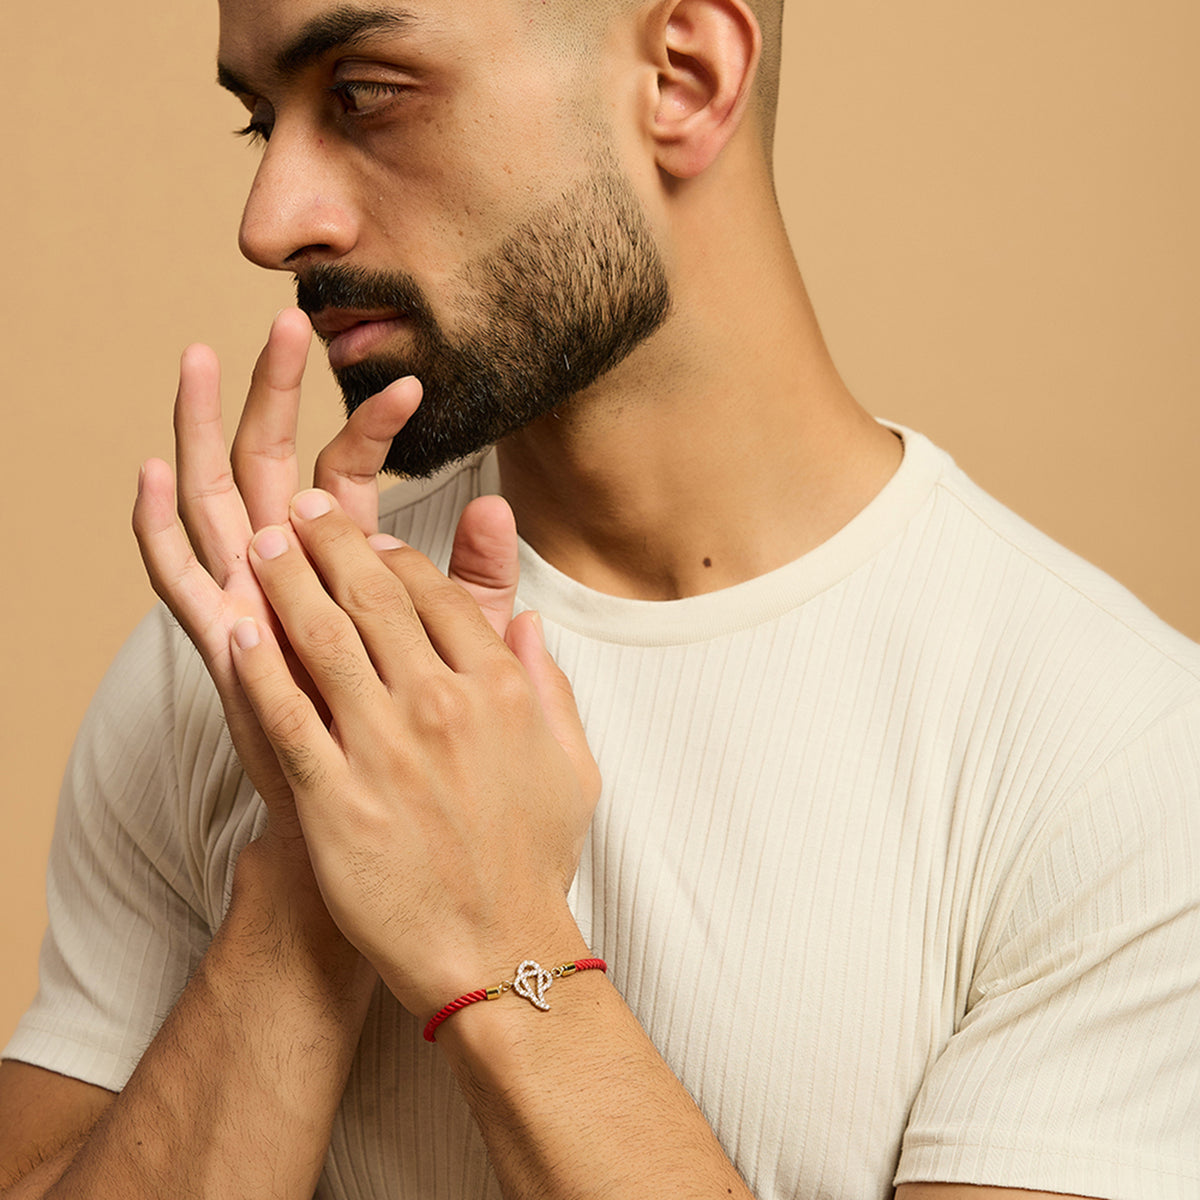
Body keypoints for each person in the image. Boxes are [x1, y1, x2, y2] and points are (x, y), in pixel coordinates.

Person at [1, 0, 1197, 1197]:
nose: (270, 223)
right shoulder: (238, 666)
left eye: (364, 93)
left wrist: (488, 930)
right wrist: (307, 878)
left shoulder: (1122, 759)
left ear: (684, 75)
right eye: (262, 123)